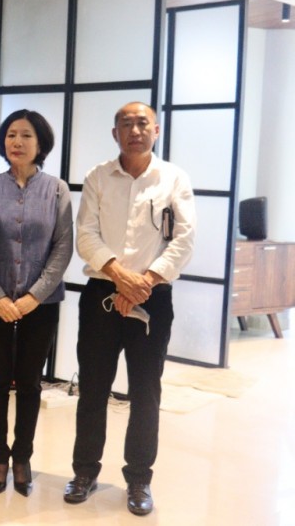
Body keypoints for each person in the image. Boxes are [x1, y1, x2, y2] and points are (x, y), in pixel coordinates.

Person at [64, 102, 195, 517]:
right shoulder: (98, 177)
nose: (135, 130)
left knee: (145, 393)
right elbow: (85, 234)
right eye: (126, 124)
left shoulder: (173, 178)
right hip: (103, 291)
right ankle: (84, 472)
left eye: (143, 123)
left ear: (156, 130)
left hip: (153, 297)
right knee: (94, 390)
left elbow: (184, 240)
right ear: (115, 132)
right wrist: (121, 276)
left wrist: (145, 283)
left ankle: (139, 479)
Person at [0, 109, 73, 498]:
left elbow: (63, 247)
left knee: (30, 384)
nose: (17, 142)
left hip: (41, 304)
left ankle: (22, 457)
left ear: (40, 143)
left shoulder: (57, 189)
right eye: (11, 135)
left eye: (26, 136)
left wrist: (34, 296)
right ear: (2, 142)